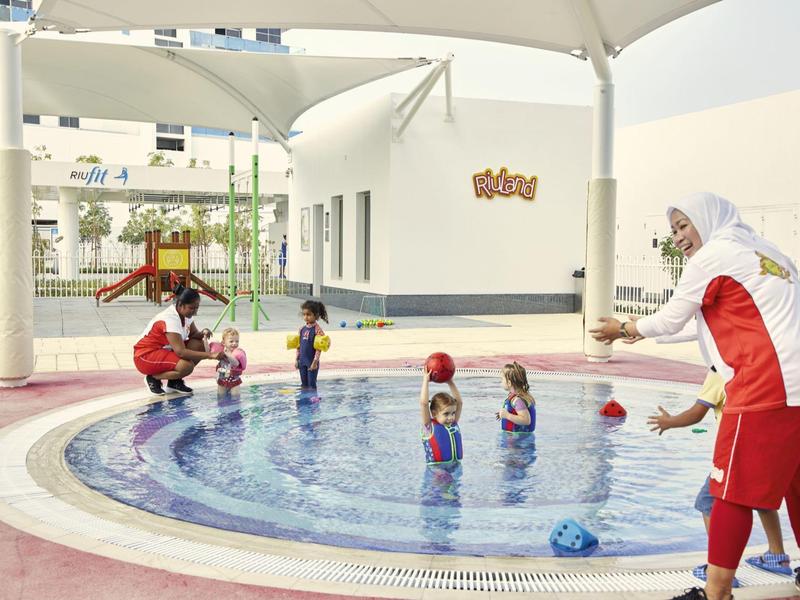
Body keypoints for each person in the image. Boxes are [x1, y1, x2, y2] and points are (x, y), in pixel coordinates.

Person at [590, 192, 800, 600]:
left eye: (684, 225)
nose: (678, 237)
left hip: (765, 383)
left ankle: (716, 592)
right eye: (673, 230)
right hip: (796, 385)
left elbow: (671, 317)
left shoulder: (713, 256)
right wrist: (640, 331)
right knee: (796, 485)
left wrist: (625, 329)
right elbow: (696, 324)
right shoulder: (765, 252)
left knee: (730, 491)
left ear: (707, 219)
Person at [647, 368, 790, 587]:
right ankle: (776, 556)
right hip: (766, 446)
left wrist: (670, 422)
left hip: (737, 451)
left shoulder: (720, 371)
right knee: (762, 499)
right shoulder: (756, 368)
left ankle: (722, 570)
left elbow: (697, 413)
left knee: (708, 501)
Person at [133, 285, 224, 395]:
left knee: (199, 344)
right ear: (180, 305)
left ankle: (174, 382)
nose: (194, 312)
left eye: (196, 308)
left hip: (163, 351)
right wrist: (210, 355)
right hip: (145, 356)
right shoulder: (170, 319)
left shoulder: (185, 315)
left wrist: (203, 332)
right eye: (192, 308)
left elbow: (194, 335)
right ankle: (153, 378)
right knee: (186, 366)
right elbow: (181, 352)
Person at [419, 366, 464, 465]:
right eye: (446, 414)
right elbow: (424, 404)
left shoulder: (453, 423)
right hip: (436, 470)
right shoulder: (429, 427)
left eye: (453, 413)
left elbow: (459, 403)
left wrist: (450, 382)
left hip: (456, 467)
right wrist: (425, 381)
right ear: (434, 413)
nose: (451, 417)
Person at [295, 299, 328, 389]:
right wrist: (296, 359)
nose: (306, 317)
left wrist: (315, 362)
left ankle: (314, 402)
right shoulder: (301, 329)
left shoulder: (318, 330)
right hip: (302, 361)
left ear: (316, 316)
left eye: (308, 314)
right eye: (304, 314)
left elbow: (319, 349)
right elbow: (298, 346)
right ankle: (303, 402)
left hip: (311, 362)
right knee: (304, 385)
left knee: (312, 385)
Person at [495, 361, 536, 433]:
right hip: (518, 439)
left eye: (502, 379)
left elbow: (526, 420)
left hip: (519, 440)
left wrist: (507, 415)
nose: (501, 382)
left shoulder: (518, 400)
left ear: (509, 383)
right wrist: (503, 414)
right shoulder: (517, 397)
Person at [206, 327, 247, 397]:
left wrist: (229, 355)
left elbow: (236, 364)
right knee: (220, 397)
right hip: (222, 380)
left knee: (235, 397)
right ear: (223, 343)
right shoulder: (221, 352)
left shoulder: (237, 353)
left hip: (234, 381)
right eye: (231, 341)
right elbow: (208, 353)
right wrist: (205, 340)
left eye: (237, 341)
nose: (234, 343)